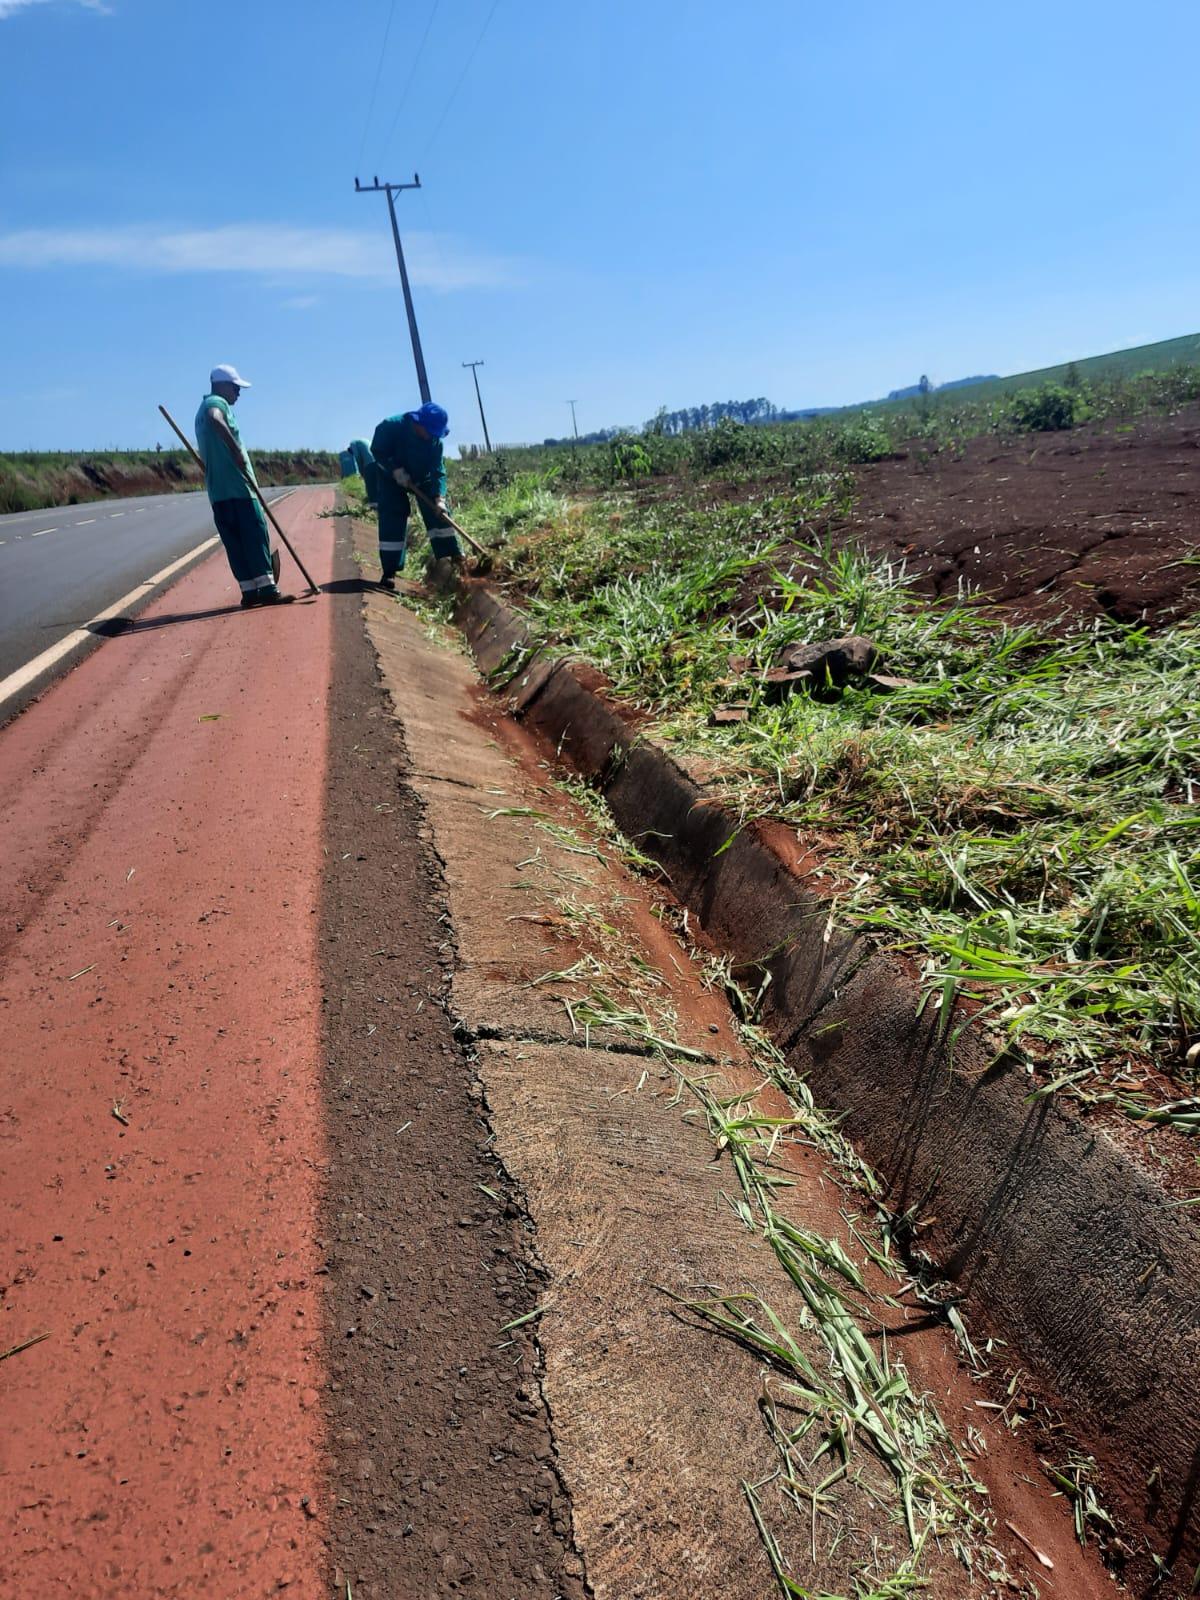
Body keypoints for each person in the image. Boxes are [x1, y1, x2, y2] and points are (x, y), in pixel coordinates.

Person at [194, 364, 294, 607]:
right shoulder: (215, 404)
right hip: (240, 488)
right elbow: (215, 419)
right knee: (254, 535)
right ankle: (268, 589)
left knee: (235, 542)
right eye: (236, 388)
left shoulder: (199, 411)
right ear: (222, 385)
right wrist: (235, 449)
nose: (238, 393)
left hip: (218, 493)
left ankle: (249, 591)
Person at [369, 401, 458, 590]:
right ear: (419, 423)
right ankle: (389, 571)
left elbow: (438, 471)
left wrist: (439, 498)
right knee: (393, 514)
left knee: (440, 514)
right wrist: (394, 470)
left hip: (422, 478)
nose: (432, 437)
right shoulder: (391, 426)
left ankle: (455, 559)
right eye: (430, 432)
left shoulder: (435, 442)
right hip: (391, 477)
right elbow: (377, 450)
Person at [348, 438, 379, 506]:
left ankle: (373, 503)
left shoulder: (352, 444)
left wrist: (361, 472)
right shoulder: (363, 441)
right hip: (378, 460)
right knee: (377, 482)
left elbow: (358, 457)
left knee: (369, 483)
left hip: (369, 462)